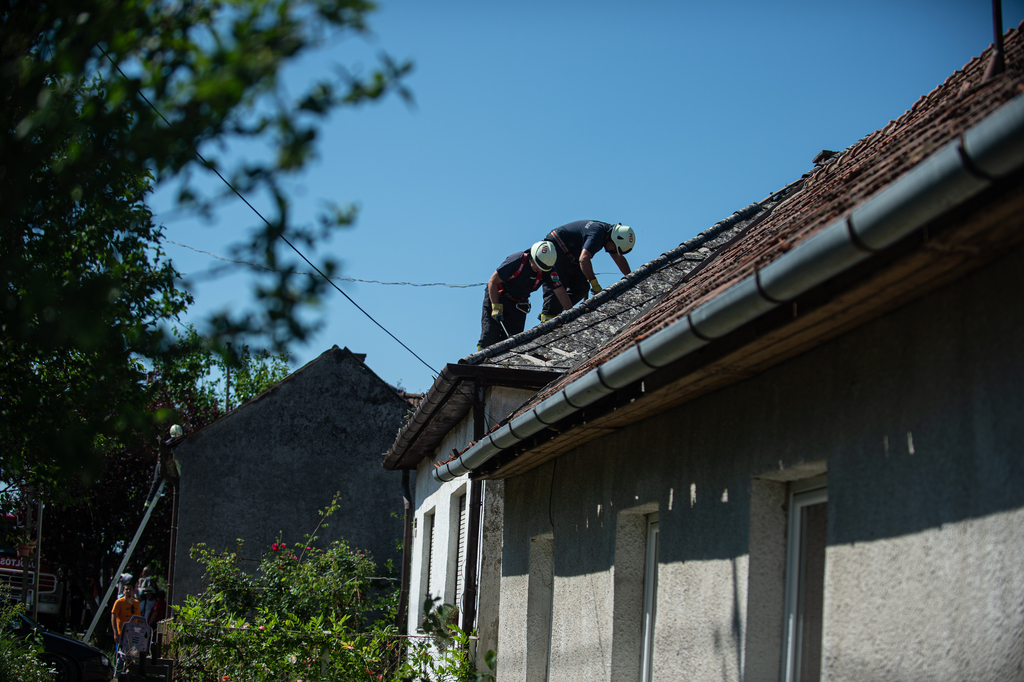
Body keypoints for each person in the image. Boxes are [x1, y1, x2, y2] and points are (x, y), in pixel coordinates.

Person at [478, 241, 571, 349]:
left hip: (518, 305)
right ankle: (480, 363)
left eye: (543, 268)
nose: (540, 270)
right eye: (538, 266)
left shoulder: (548, 270)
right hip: (498, 297)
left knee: (512, 343)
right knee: (489, 337)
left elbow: (560, 292)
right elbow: (493, 282)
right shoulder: (517, 260)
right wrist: (496, 307)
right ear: (532, 257)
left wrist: (571, 313)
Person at [539, 220, 636, 319]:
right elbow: (584, 259)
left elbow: (618, 258)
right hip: (556, 250)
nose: (613, 251)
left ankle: (558, 311)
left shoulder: (608, 234)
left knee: (582, 287)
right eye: (614, 248)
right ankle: (547, 320)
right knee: (556, 289)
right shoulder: (597, 233)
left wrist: (632, 280)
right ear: (614, 239)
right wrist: (595, 285)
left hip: (571, 255)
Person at [110, 581, 140, 647]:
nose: (128, 591)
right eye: (126, 589)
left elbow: (139, 619)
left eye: (130, 589)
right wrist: (115, 633)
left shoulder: (136, 603)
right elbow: (113, 618)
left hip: (133, 634)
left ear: (133, 591)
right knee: (120, 654)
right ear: (123, 591)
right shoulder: (119, 602)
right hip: (122, 634)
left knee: (132, 654)